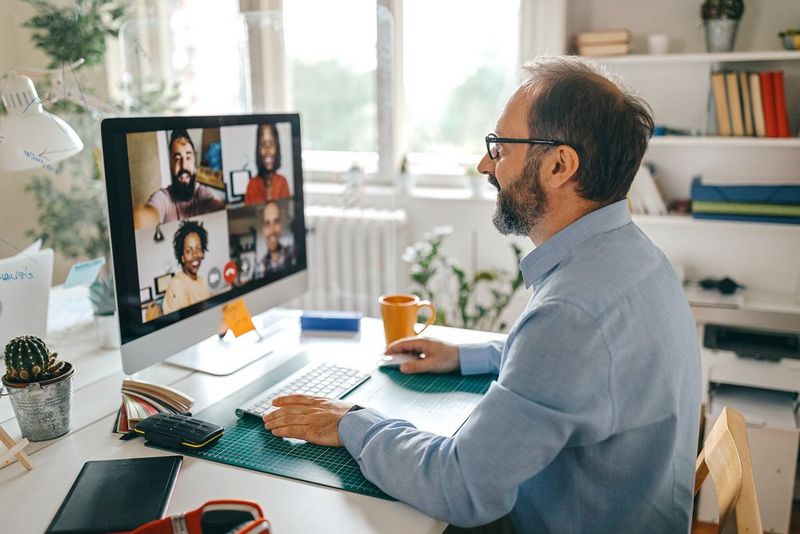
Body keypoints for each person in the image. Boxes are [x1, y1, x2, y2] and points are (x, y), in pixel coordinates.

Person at [262, 57, 701, 533]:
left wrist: (351, 422)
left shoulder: (571, 314)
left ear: (559, 165)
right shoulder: (636, 258)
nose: (485, 165)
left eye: (500, 147)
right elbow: (582, 368)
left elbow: (461, 487)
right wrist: (466, 355)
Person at [134, 130, 225, 229]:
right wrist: (138, 218)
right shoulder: (163, 198)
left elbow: (218, 208)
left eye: (188, 157)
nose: (183, 165)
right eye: (177, 158)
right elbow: (148, 216)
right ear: (170, 165)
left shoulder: (205, 194)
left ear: (195, 165)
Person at [162, 220, 211, 314]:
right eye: (189, 251)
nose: (195, 254)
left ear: (203, 253)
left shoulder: (201, 281)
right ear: (182, 257)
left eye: (198, 249)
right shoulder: (177, 284)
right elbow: (189, 321)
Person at [244, 123, 291, 205]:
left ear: (277, 147)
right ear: (258, 149)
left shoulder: (282, 182)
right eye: (263, 144)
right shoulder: (252, 184)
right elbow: (248, 216)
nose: (267, 150)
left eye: (271, 143)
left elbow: (286, 215)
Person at [255, 200, 295, 277]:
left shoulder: (293, 253)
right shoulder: (259, 268)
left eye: (276, 222)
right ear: (263, 229)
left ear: (280, 225)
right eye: (267, 223)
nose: (272, 230)